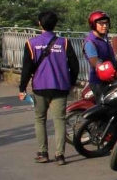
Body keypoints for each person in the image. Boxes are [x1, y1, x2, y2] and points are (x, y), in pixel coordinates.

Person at [18, 9, 79, 165]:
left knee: (40, 119)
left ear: (40, 24)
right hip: (60, 86)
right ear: (55, 24)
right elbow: (74, 65)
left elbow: (27, 68)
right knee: (59, 120)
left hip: (40, 86)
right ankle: (60, 155)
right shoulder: (64, 43)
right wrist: (71, 82)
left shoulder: (31, 44)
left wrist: (22, 88)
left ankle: (43, 152)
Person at [84, 10, 117, 97]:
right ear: (94, 25)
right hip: (98, 82)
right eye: (101, 24)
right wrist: (102, 66)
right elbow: (95, 62)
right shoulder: (90, 42)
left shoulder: (104, 37)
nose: (105, 26)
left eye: (106, 23)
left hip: (110, 78)